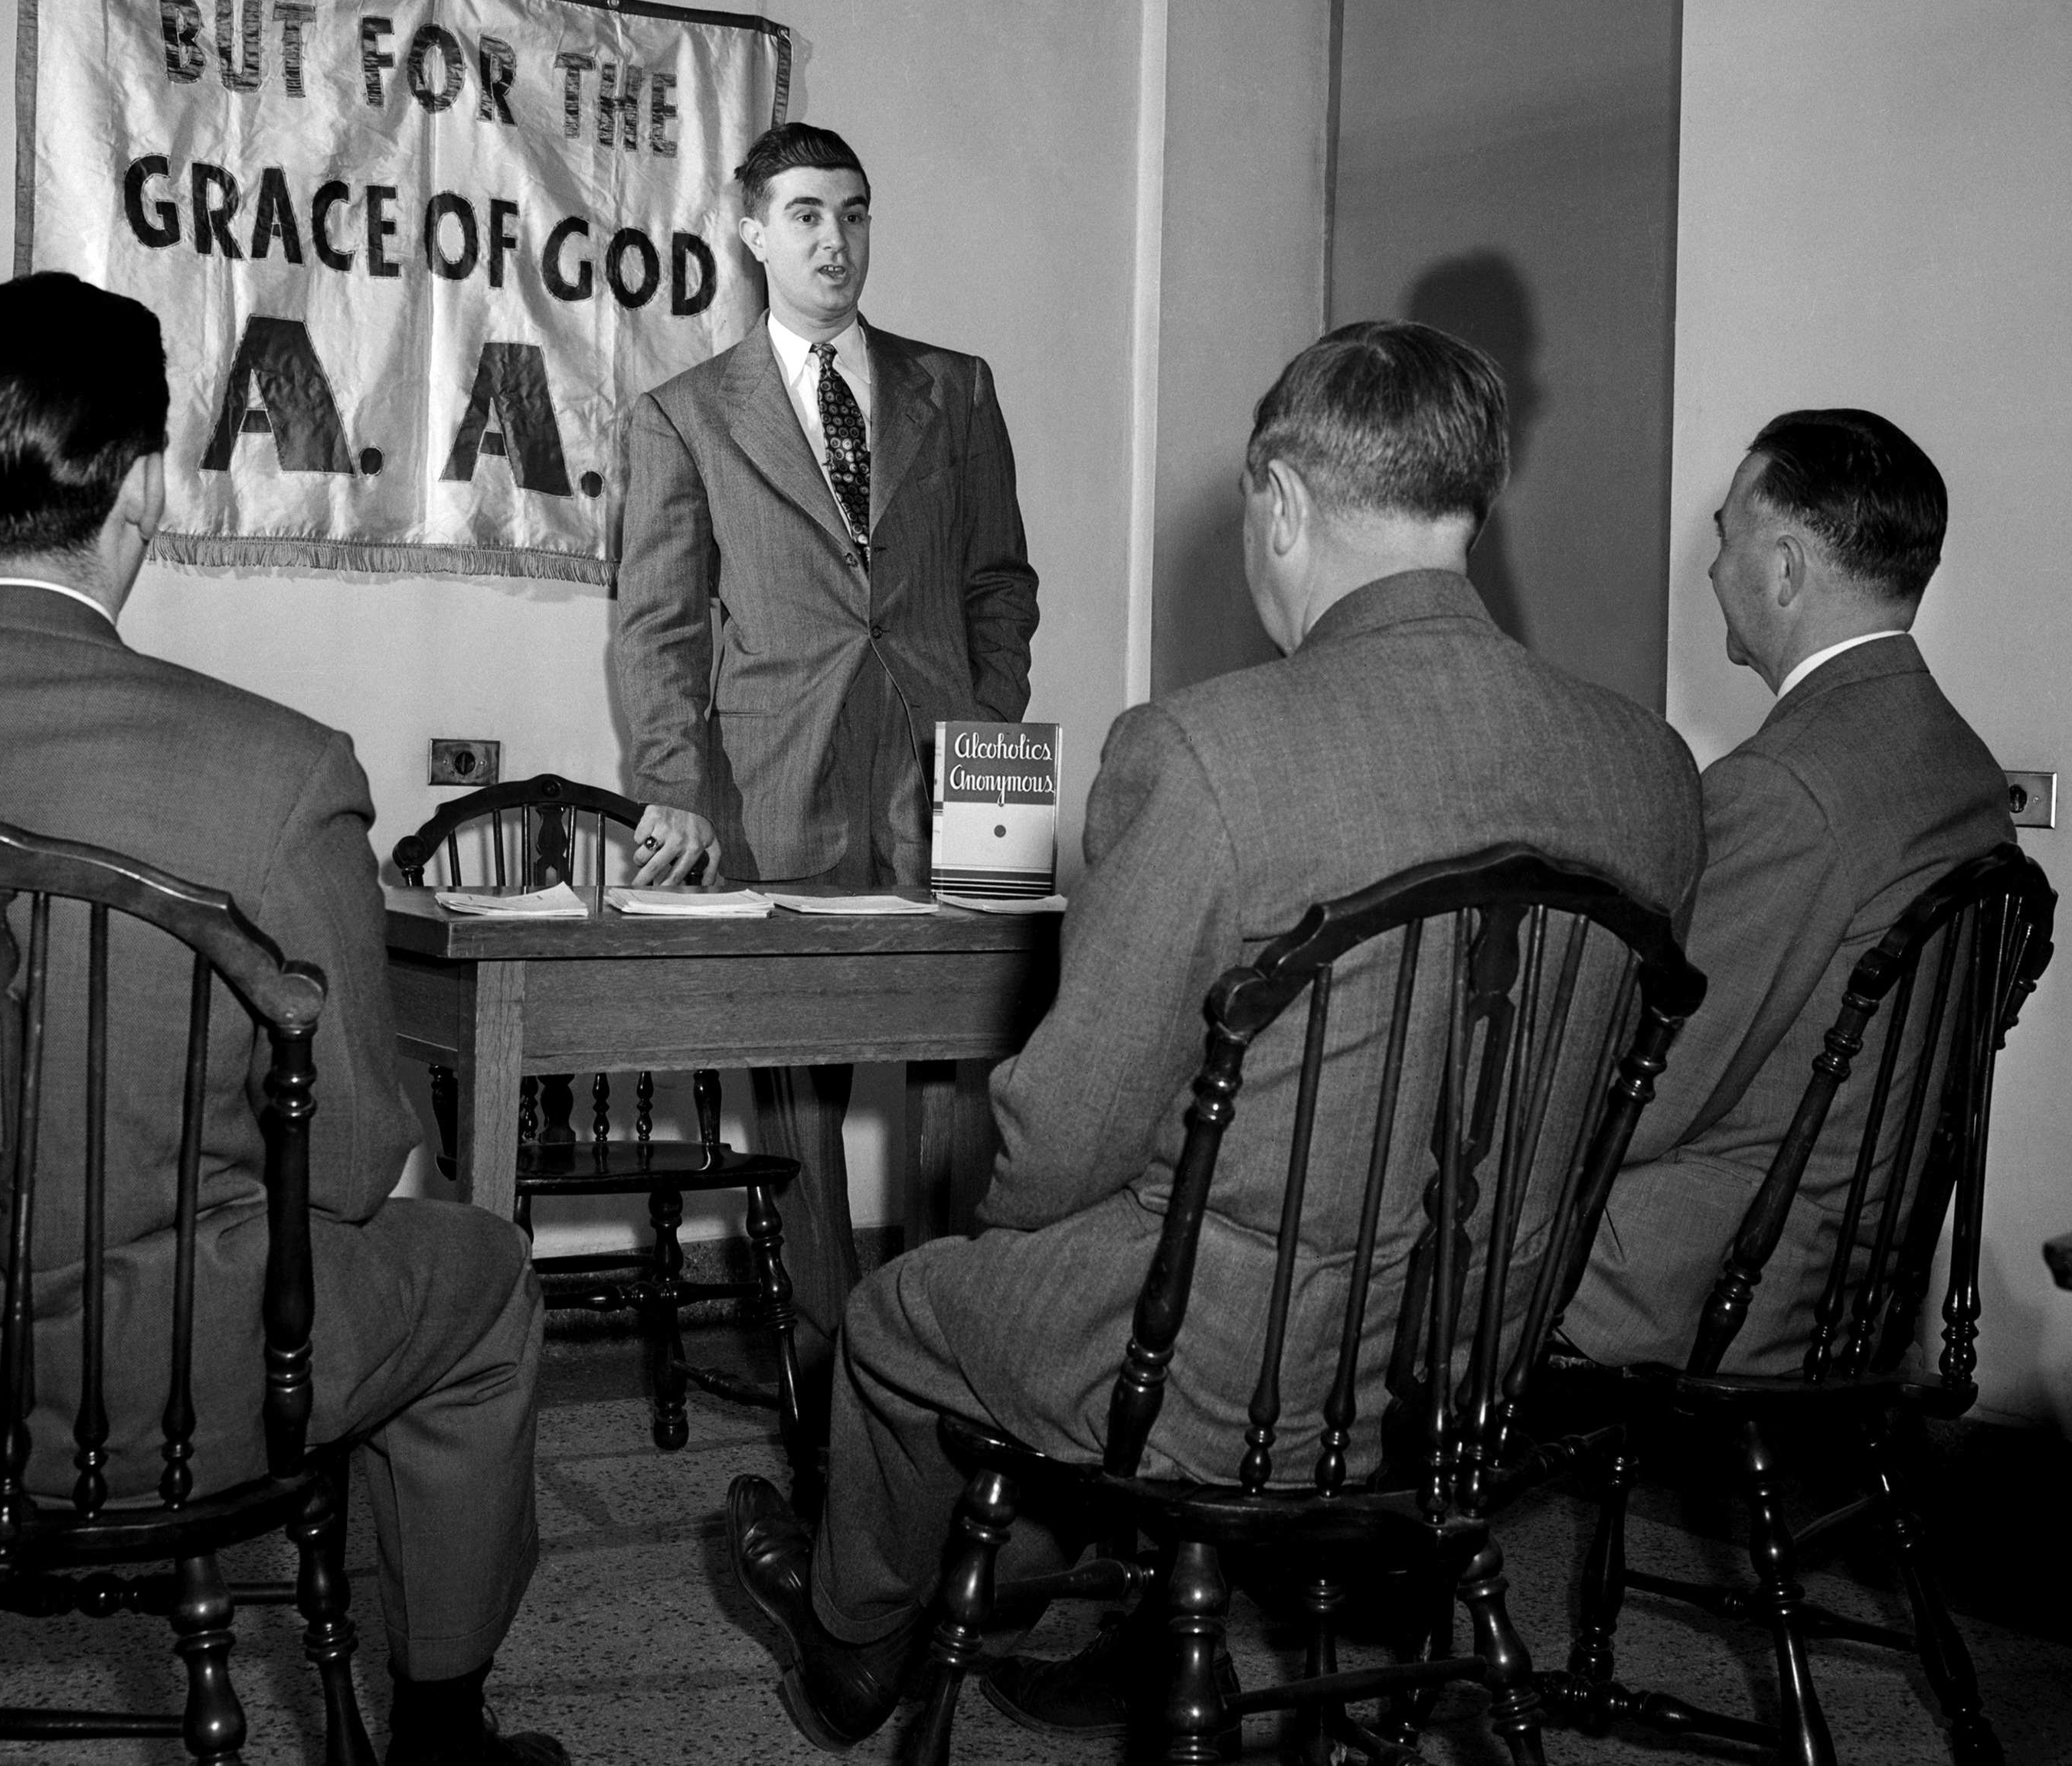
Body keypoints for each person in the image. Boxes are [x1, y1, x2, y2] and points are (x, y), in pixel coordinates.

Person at [721, 319, 1704, 1748]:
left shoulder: (1204, 748)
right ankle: (1049, 1600)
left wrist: (1012, 1246)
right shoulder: (1651, 769)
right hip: (1476, 1368)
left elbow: (1064, 1135)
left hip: (1228, 1373)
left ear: (1283, 498)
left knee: (900, 1315)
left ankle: (855, 1640)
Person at [0, 276, 560, 1766]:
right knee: (484, 1274)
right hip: (171, 1406)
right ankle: (443, 1734)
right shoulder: (277, 770)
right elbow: (350, 1166)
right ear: (138, 488)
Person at [611, 122, 1039, 1347]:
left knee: (969, 1055)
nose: (834, 239)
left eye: (853, 212)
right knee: (796, 1072)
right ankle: (823, 1344)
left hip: (955, 781)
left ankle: (944, 1333)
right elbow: (658, 627)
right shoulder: (685, 415)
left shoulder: (957, 389)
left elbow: (999, 581)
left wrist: (983, 721)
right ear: (753, 232)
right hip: (775, 775)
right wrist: (672, 784)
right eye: (804, 214)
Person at [1562, 408, 2015, 1374]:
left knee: (1408, 1209)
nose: (1711, 570)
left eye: (1725, 538)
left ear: (1783, 568)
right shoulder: (1962, 764)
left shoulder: (1784, 789)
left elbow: (1649, 1093)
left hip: (1724, 1277)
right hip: (1862, 1268)